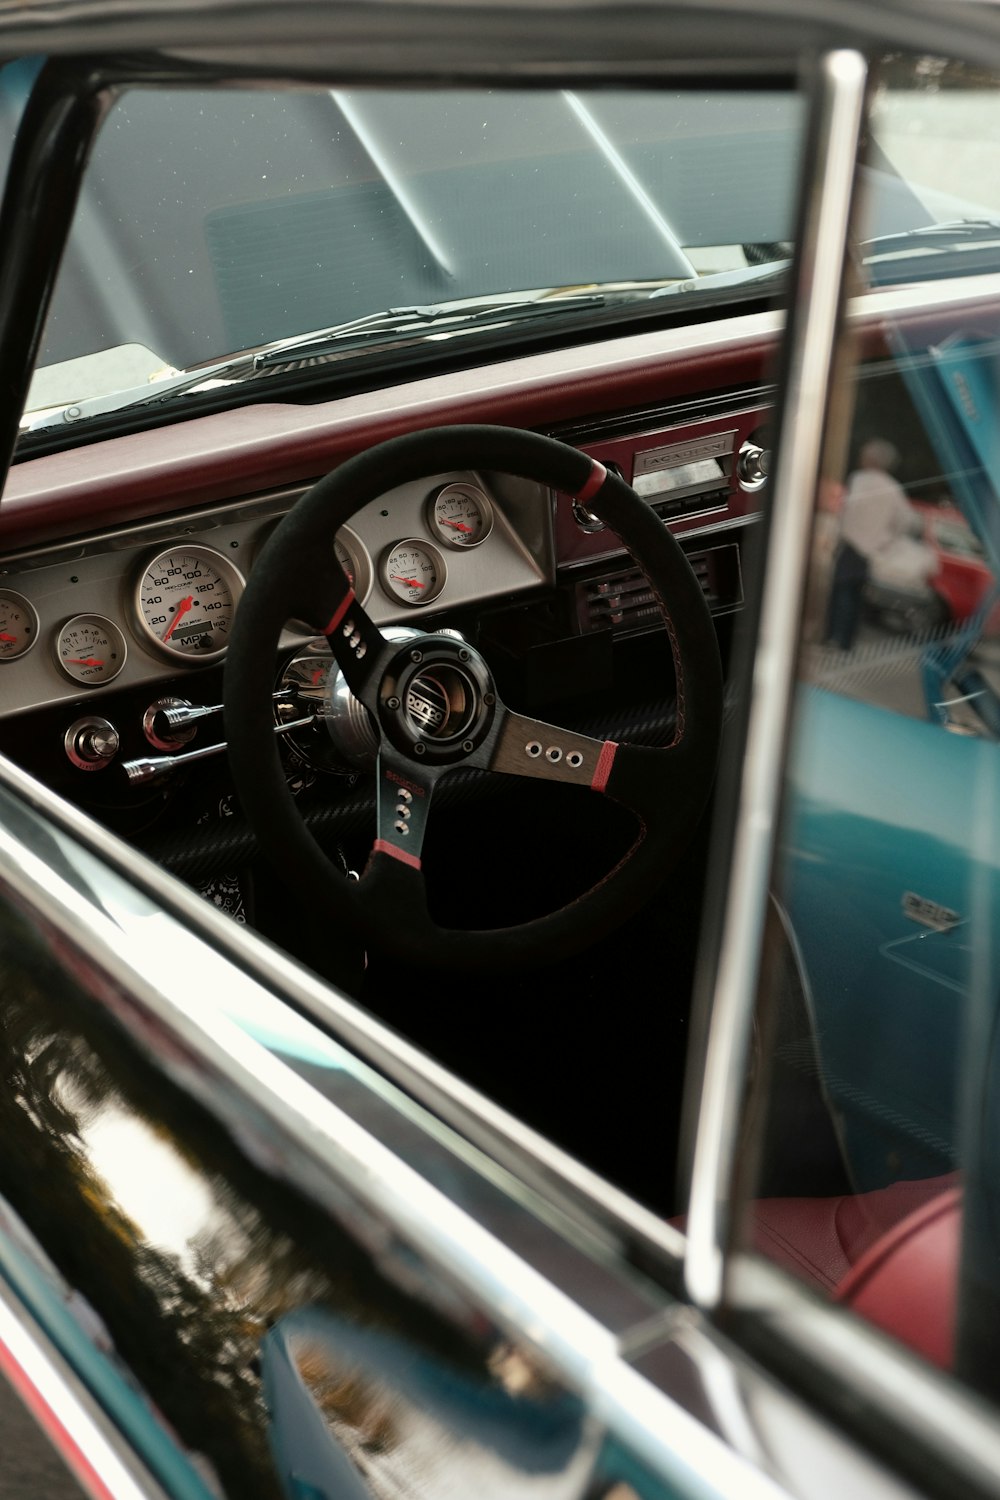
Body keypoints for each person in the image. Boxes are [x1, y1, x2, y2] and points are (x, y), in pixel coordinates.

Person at [825, 438, 917, 650]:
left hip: (851, 544)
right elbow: (906, 520)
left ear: (871, 459)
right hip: (871, 550)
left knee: (842, 592)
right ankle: (846, 641)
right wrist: (886, 539)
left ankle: (835, 638)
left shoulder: (859, 479)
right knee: (855, 594)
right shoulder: (894, 488)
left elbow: (847, 510)